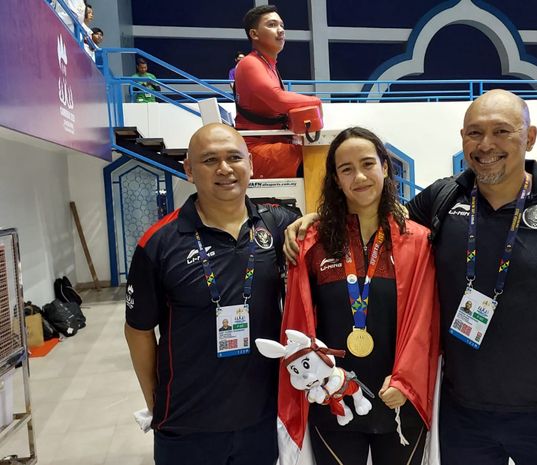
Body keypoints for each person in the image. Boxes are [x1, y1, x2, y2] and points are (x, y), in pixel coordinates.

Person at [284, 90, 537, 465]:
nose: (487, 144)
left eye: (502, 131)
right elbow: (376, 216)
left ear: (529, 137)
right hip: (464, 416)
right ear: (463, 139)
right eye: (475, 133)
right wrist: (314, 220)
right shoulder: (444, 200)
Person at [124, 123, 299, 465]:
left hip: (261, 420)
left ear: (250, 163)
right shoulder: (159, 243)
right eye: (209, 160)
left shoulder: (276, 225)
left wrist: (311, 219)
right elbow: (138, 331)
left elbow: (328, 224)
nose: (224, 169)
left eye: (234, 157)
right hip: (187, 426)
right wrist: (157, 403)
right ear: (189, 170)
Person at [278, 127, 440, 465]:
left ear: (384, 166)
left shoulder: (417, 240)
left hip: (398, 396)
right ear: (335, 179)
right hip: (332, 398)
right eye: (346, 169)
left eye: (368, 164)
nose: (360, 176)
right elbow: (301, 321)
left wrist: (406, 381)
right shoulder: (312, 242)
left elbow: (425, 321)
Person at [234, 5, 322, 179]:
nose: (281, 30)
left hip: (272, 145)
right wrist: (316, 101)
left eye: (282, 25)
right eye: (272, 25)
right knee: (321, 161)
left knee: (327, 156)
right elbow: (279, 100)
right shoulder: (250, 63)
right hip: (256, 152)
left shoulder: (268, 65)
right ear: (254, 34)